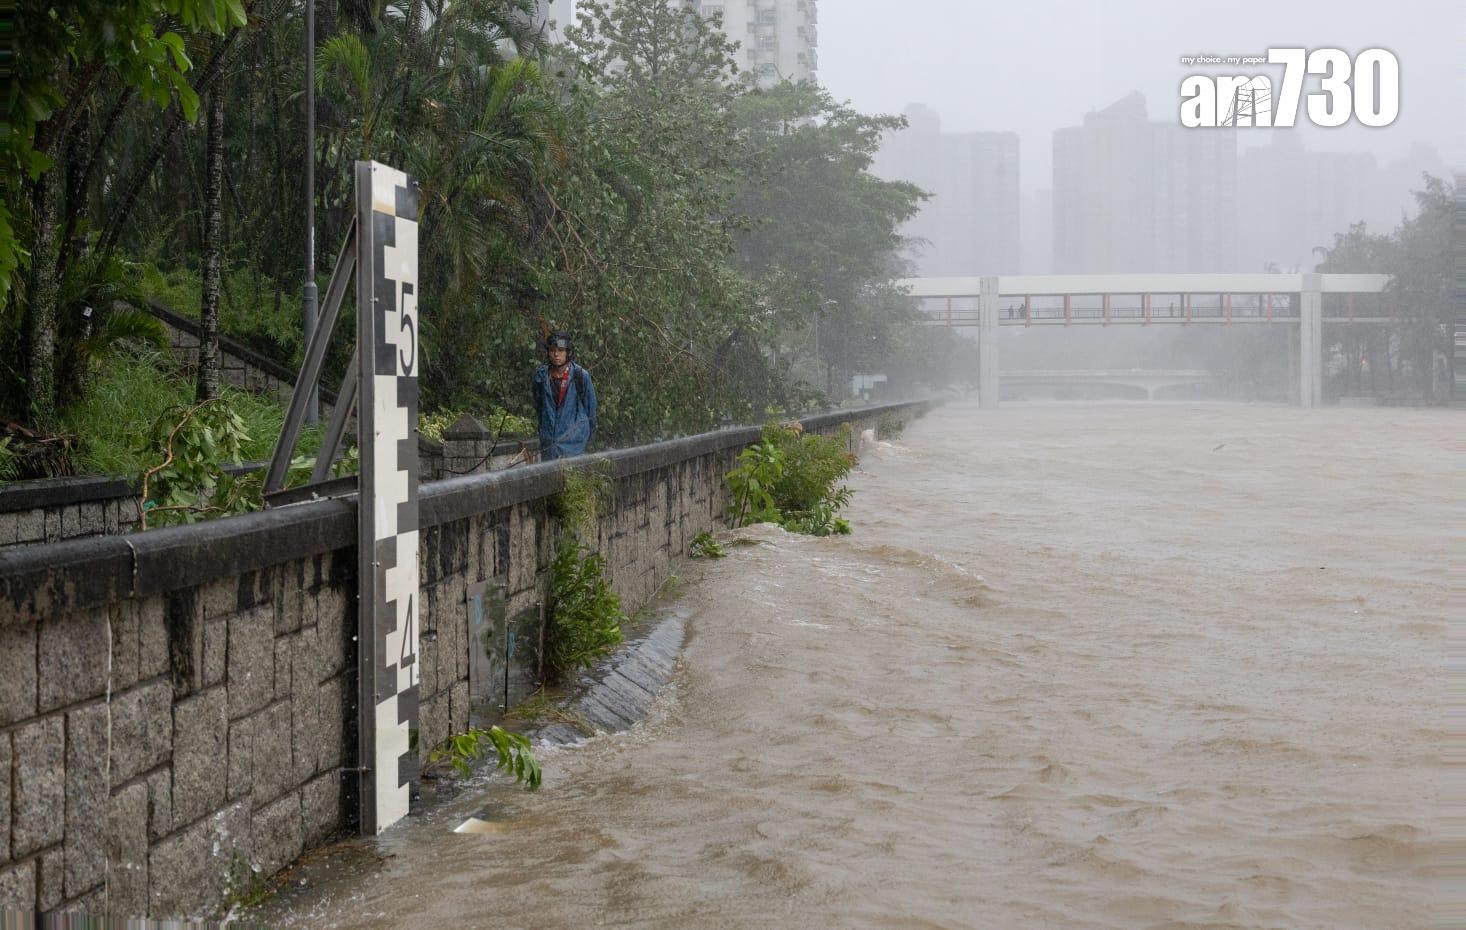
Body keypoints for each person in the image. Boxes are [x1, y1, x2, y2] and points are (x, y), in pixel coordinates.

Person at [532, 331, 597, 460]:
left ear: (568, 352)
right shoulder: (540, 376)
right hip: (549, 444)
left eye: (561, 350)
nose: (556, 354)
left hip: (574, 446)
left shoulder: (581, 376)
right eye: (552, 350)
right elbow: (539, 407)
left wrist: (584, 435)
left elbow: (591, 411)